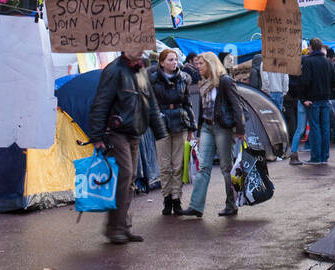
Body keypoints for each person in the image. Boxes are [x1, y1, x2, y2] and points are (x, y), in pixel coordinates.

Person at [87, 48, 167, 244]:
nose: (141, 51)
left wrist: (160, 131)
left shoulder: (140, 70)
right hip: (116, 132)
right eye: (136, 46)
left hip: (134, 132)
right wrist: (97, 135)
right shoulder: (114, 70)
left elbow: (151, 103)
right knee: (125, 176)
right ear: (125, 47)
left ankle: (123, 226)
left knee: (130, 178)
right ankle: (114, 228)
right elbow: (101, 103)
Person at [180, 51, 247, 218]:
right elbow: (203, 108)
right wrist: (199, 130)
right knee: (203, 167)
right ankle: (196, 206)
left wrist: (240, 130)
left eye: (201, 64)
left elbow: (236, 105)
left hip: (222, 127)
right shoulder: (203, 82)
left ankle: (231, 205)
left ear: (210, 64)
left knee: (226, 167)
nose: (198, 67)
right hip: (207, 127)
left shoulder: (224, 81)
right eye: (197, 64)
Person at [148, 48, 195, 216]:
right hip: (161, 124)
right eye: (170, 60)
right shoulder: (153, 81)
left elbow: (188, 103)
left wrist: (192, 127)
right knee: (164, 165)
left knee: (178, 165)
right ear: (161, 63)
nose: (174, 62)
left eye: (175, 59)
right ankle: (167, 199)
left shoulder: (183, 79)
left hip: (180, 123)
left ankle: (177, 199)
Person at [290, 37, 334, 166]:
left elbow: (305, 82)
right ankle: (324, 156)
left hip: (312, 100)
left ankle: (316, 157)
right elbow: (334, 80)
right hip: (325, 99)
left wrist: (303, 98)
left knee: (315, 129)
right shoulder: (327, 62)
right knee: (325, 128)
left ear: (311, 47)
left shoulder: (309, 62)